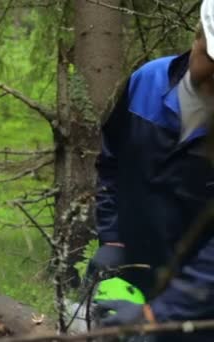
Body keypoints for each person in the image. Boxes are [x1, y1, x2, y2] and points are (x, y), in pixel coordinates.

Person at [89, 1, 214, 340]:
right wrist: (112, 237)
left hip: (200, 310)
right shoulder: (147, 81)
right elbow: (112, 162)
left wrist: (157, 314)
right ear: (197, 38)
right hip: (136, 280)